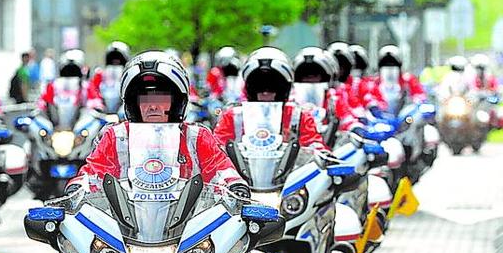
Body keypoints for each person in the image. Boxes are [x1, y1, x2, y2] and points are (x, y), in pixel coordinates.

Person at [66, 51, 247, 195]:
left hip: (191, 231)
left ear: (177, 101)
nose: (152, 106)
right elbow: (92, 173)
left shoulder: (197, 137)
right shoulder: (115, 136)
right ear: (132, 104)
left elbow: (221, 170)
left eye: (161, 98)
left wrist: (235, 185)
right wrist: (77, 188)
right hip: (125, 232)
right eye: (144, 99)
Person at [213, 47, 330, 152]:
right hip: (241, 175)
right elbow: (216, 148)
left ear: (284, 88)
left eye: (273, 85)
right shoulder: (233, 116)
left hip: (293, 175)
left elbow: (314, 143)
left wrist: (321, 153)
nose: (265, 92)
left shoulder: (300, 116)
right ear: (249, 88)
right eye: (259, 85)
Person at [291, 47, 357, 141]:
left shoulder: (334, 99)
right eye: (305, 75)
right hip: (296, 149)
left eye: (315, 75)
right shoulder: (291, 102)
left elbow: (347, 119)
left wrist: (357, 129)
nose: (310, 80)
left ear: (327, 77)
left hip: (329, 147)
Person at [35, 49, 103, 112]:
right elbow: (43, 101)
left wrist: (92, 106)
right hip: (56, 122)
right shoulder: (54, 85)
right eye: (67, 69)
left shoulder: (86, 86)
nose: (70, 71)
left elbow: (96, 101)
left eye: (74, 69)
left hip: (80, 121)